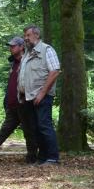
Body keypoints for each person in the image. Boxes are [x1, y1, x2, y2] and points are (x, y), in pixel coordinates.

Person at [18, 24, 61, 165]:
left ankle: (53, 158)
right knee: (36, 128)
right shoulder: (27, 53)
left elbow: (55, 71)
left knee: (44, 126)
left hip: (42, 96)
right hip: (29, 97)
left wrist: (42, 93)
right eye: (25, 36)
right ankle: (42, 158)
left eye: (28, 35)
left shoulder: (46, 50)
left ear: (36, 35)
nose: (26, 38)